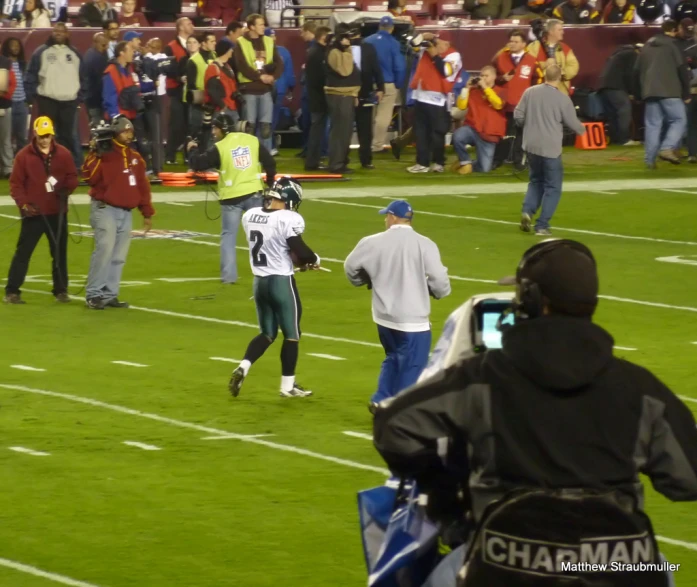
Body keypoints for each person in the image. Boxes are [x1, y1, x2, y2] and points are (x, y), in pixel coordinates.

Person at [372, 238, 697, 587]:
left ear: (531, 298)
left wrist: (443, 487)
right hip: (620, 565)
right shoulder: (639, 387)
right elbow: (688, 477)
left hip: (507, 560)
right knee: (659, 566)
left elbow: (394, 426)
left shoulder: (482, 377)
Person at [344, 200, 451, 405]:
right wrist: (438, 292)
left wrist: (363, 281)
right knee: (413, 366)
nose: (385, 220)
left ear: (393, 217)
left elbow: (350, 267)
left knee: (392, 357)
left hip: (383, 317)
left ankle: (381, 399)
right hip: (413, 319)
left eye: (386, 216)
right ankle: (398, 408)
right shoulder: (424, 243)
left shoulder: (371, 242)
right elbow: (438, 278)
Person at [227, 178, 320, 399]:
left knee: (267, 333)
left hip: (260, 282)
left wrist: (300, 261)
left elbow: (280, 247)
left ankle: (243, 366)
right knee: (292, 334)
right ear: (288, 200)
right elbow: (301, 251)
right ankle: (287, 387)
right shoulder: (288, 218)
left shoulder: (250, 215)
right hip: (281, 282)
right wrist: (313, 259)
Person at [188, 112, 276, 284]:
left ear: (222, 129)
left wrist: (192, 149)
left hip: (231, 197)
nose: (213, 132)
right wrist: (271, 186)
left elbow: (198, 164)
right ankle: (268, 272)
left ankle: (229, 277)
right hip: (254, 193)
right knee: (261, 235)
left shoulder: (220, 147)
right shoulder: (252, 141)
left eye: (215, 128)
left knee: (228, 237)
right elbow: (270, 163)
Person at [82, 116, 154, 309]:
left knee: (119, 256)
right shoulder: (104, 154)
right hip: (105, 208)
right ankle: (94, 293)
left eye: (131, 132)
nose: (129, 135)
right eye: (125, 132)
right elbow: (89, 177)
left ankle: (109, 294)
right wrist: (95, 154)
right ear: (116, 132)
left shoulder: (135, 158)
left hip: (126, 212)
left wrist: (147, 212)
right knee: (104, 250)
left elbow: (142, 187)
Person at [4, 117, 78, 305]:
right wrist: (24, 205)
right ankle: (12, 291)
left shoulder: (63, 154)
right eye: (42, 135)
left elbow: (72, 177)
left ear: (52, 134)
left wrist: (67, 189)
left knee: (59, 252)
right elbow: (16, 184)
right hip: (34, 214)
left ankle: (61, 290)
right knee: (24, 252)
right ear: (35, 133)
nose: (45, 139)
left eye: (48, 135)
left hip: (57, 212)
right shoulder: (23, 156)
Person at [515, 65, 585, 236]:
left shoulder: (530, 92)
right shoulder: (562, 99)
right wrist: (584, 129)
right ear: (560, 78)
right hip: (550, 148)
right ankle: (542, 225)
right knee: (553, 187)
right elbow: (573, 124)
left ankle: (527, 211)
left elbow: (518, 116)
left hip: (531, 146)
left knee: (535, 181)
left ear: (545, 75)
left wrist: (530, 125)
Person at [25, 23, 86, 165]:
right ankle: (44, 163)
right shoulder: (41, 52)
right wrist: (32, 95)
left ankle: (68, 165)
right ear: (52, 33)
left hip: (69, 101)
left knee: (68, 136)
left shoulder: (75, 54)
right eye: (55, 31)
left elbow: (84, 78)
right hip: (47, 100)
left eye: (61, 31)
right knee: (46, 134)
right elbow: (31, 75)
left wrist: (79, 97)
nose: (58, 33)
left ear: (67, 34)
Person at [635, 19, 691, 167]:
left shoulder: (647, 45)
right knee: (679, 120)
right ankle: (667, 147)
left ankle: (649, 161)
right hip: (670, 90)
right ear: (674, 30)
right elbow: (682, 70)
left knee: (653, 126)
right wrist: (686, 93)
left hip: (649, 91)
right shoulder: (673, 45)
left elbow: (636, 70)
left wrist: (638, 93)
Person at [407, 32, 462, 173]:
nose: (435, 45)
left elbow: (446, 71)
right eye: (435, 42)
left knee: (437, 134)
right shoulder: (426, 49)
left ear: (447, 44)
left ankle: (439, 162)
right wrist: (422, 36)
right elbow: (412, 45)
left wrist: (434, 55)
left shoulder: (454, 56)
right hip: (420, 96)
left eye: (439, 42)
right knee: (420, 133)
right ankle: (422, 163)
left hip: (438, 99)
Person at [234, 13, 284, 153]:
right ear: (251, 27)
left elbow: (279, 62)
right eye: (261, 24)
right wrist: (260, 77)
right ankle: (248, 158)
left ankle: (265, 159)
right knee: (248, 128)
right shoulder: (241, 43)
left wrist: (273, 77)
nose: (264, 27)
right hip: (248, 90)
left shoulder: (269, 41)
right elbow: (242, 66)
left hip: (266, 89)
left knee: (265, 128)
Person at [491, 29, 536, 169]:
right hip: (504, 103)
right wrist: (501, 79)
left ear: (524, 44)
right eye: (511, 41)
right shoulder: (499, 58)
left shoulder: (532, 61)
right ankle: (498, 159)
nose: (512, 44)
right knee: (502, 133)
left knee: (522, 134)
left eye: (516, 42)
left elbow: (537, 80)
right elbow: (490, 77)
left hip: (523, 104)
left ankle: (519, 161)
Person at [451, 65, 507, 174]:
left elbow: (498, 105)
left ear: (494, 77)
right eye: (482, 75)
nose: (483, 78)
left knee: (484, 169)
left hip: (489, 133)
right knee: (458, 135)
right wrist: (466, 88)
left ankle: (468, 164)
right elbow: (461, 106)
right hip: (472, 129)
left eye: (486, 75)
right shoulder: (474, 91)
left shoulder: (501, 91)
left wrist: (486, 88)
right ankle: (465, 161)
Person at [365, 16, 406, 154]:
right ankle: (377, 146)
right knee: (383, 115)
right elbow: (399, 66)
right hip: (387, 83)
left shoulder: (367, 41)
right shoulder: (393, 43)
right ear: (392, 28)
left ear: (379, 26)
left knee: (370, 115)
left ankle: (367, 143)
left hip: (368, 84)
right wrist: (399, 84)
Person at [348, 25, 384, 170]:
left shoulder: (369, 48)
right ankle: (342, 159)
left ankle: (366, 159)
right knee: (345, 129)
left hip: (365, 92)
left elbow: (376, 68)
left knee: (365, 129)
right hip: (347, 92)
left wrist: (381, 88)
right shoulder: (341, 49)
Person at [597, 44, 642, 146]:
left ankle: (615, 139)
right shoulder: (632, 54)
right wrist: (633, 93)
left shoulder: (618, 54)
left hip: (603, 86)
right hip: (616, 86)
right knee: (624, 111)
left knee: (613, 114)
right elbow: (630, 75)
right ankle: (624, 139)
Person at [164, 17, 194, 164]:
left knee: (190, 124)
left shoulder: (195, 44)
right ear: (181, 27)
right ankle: (170, 156)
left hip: (191, 91)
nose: (192, 26)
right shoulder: (171, 46)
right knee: (176, 124)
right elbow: (168, 68)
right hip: (176, 90)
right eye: (189, 24)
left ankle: (188, 156)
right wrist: (179, 78)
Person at [526, 19, 578, 95]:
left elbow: (573, 67)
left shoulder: (565, 49)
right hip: (539, 92)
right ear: (551, 31)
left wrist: (559, 72)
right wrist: (545, 66)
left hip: (561, 92)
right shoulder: (534, 47)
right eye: (559, 30)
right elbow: (527, 65)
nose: (563, 32)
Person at [265, 28, 295, 156]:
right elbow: (289, 73)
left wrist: (290, 87)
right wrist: (291, 88)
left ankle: (269, 146)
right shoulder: (283, 51)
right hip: (277, 89)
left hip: (268, 89)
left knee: (268, 119)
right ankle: (270, 146)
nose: (273, 38)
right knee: (271, 119)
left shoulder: (262, 51)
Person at [303, 25, 330, 171]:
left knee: (317, 130)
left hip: (315, 97)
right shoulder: (318, 53)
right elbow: (319, 78)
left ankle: (313, 160)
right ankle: (313, 162)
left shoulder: (315, 51)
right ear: (323, 37)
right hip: (319, 98)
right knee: (317, 131)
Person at [185, 31, 216, 142]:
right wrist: (201, 102)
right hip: (199, 103)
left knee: (211, 133)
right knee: (196, 133)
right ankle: (191, 157)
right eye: (211, 41)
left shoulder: (215, 56)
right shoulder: (193, 61)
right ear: (203, 43)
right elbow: (191, 85)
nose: (214, 43)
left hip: (212, 101)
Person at [205, 40, 240, 123]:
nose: (232, 51)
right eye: (231, 49)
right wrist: (222, 105)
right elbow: (211, 90)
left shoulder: (227, 66)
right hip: (222, 108)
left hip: (232, 107)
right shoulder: (213, 68)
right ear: (226, 50)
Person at [1, 37, 25, 155]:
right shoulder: (4, 63)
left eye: (18, 45)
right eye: (13, 45)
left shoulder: (22, 64)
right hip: (7, 104)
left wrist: (28, 98)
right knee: (7, 136)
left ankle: (22, 161)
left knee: (22, 136)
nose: (16, 47)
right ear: (6, 47)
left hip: (21, 103)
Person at [84, 32, 109, 126]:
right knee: (98, 129)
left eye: (107, 45)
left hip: (91, 100)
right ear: (95, 43)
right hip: (95, 101)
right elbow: (101, 82)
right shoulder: (96, 58)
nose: (106, 47)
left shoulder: (91, 53)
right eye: (103, 45)